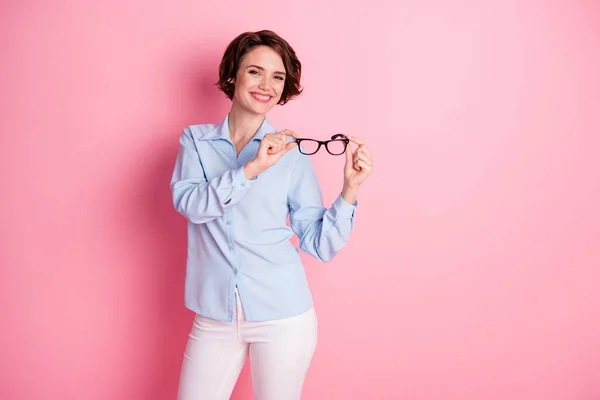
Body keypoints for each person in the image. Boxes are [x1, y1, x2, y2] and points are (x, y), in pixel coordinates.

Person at [170, 29, 373, 400]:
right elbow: (191, 206)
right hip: (215, 315)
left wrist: (350, 190)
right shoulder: (195, 141)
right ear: (232, 75)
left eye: (277, 77)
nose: (266, 85)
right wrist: (252, 168)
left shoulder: (292, 154)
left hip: (283, 315)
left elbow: (318, 243)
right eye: (255, 72)